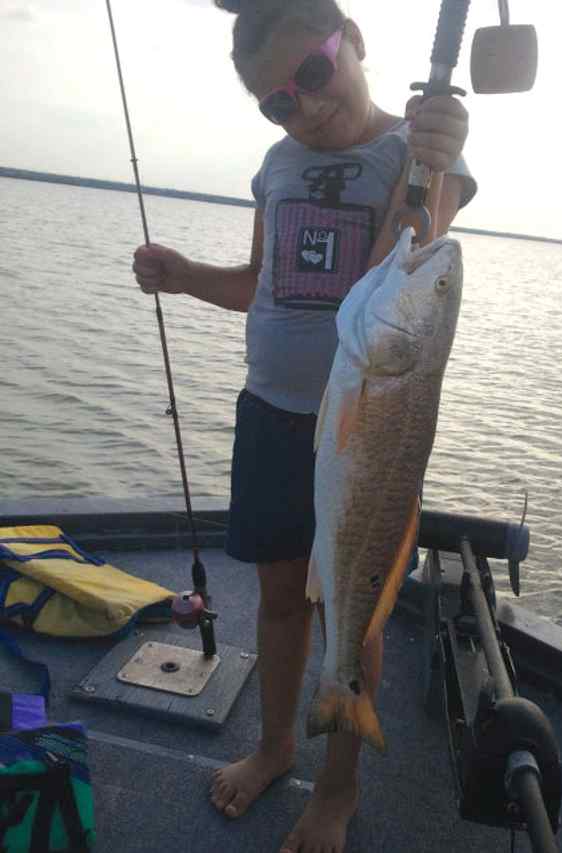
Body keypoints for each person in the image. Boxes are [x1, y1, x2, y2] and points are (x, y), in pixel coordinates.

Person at [133, 1, 476, 850]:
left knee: (351, 616)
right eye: (277, 99)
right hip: (271, 417)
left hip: (365, 437)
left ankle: (338, 789)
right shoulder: (276, 167)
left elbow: (415, 248)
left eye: (314, 74)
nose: (305, 104)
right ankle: (277, 744)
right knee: (283, 601)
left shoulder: (413, 157)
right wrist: (182, 277)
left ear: (353, 42)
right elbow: (263, 283)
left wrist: (438, 149)